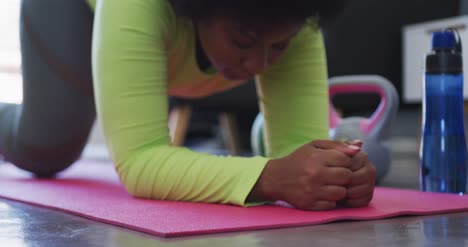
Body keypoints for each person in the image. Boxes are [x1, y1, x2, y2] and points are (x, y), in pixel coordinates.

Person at [0, 0, 376, 211]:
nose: (259, 65)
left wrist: (336, 176)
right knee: (46, 147)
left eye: (277, 46)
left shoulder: (295, 19)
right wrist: (270, 177)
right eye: (244, 40)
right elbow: (141, 161)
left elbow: (302, 154)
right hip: (73, 11)